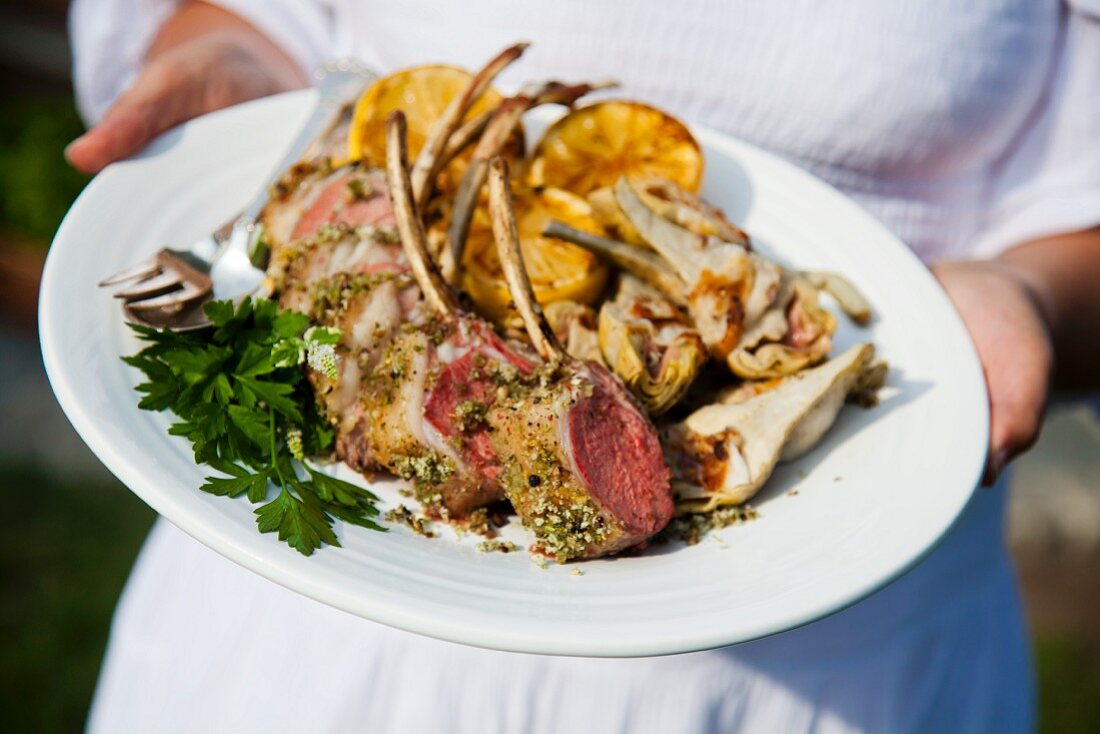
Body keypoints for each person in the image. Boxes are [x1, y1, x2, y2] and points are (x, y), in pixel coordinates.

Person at [68, 2, 1100, 732]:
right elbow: (254, 19)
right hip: (306, 623)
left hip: (839, 663)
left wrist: (1029, 295)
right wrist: (229, 71)